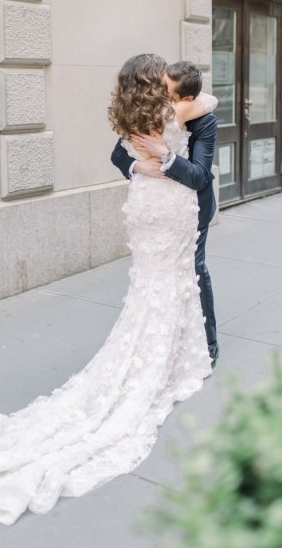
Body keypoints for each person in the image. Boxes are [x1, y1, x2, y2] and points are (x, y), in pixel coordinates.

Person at [0, 54, 216, 525]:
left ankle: (173, 347)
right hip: (167, 207)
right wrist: (158, 162)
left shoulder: (131, 111)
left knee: (156, 284)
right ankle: (173, 356)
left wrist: (142, 168)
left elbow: (122, 154)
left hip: (146, 208)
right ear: (156, 83)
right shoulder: (180, 111)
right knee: (173, 280)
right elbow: (202, 116)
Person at [111, 60, 220, 366]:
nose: (161, 94)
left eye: (167, 89)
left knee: (193, 269)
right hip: (153, 206)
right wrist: (138, 165)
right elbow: (118, 154)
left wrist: (166, 155)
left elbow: (200, 176)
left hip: (189, 207)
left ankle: (206, 340)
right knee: (154, 273)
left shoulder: (203, 121)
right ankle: (161, 340)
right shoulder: (151, 111)